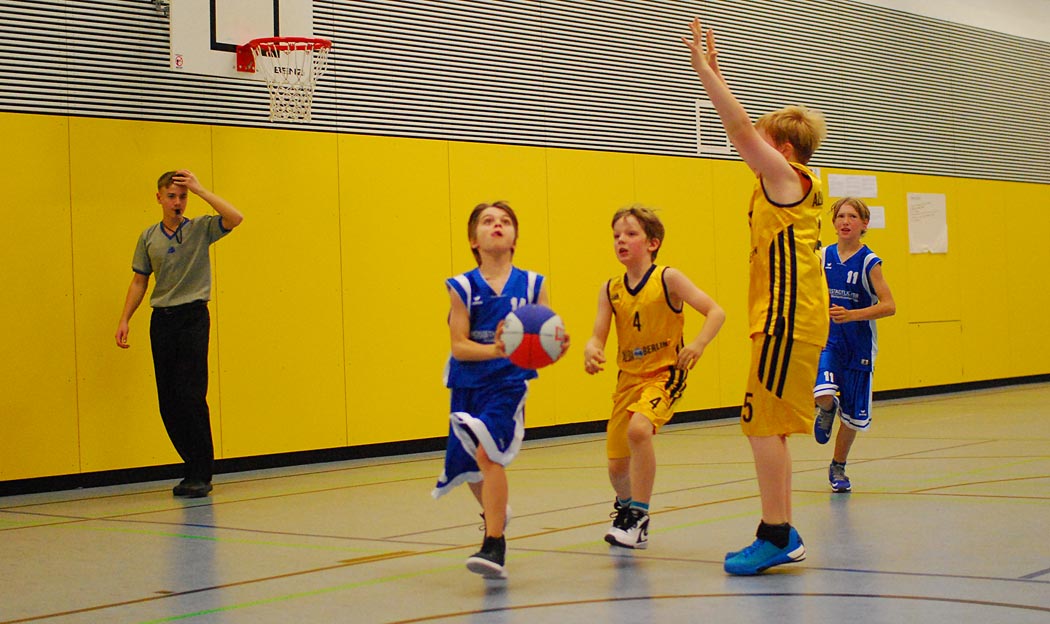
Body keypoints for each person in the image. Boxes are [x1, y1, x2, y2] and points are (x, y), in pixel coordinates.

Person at [683, 18, 830, 575]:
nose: (746, 148)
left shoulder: (787, 176)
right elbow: (746, 132)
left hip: (786, 319)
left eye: (762, 144)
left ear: (783, 149)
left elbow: (740, 129)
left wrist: (705, 76)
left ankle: (775, 533)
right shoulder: (793, 186)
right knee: (771, 426)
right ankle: (780, 529)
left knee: (761, 425)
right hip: (794, 317)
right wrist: (719, 74)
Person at [432, 201, 569, 580]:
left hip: (508, 383)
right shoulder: (462, 287)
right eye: (488, 221)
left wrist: (556, 345)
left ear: (514, 238)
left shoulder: (532, 284)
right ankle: (497, 511)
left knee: (487, 452)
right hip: (466, 381)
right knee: (467, 464)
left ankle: (494, 543)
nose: (497, 225)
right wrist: (498, 347)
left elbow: (548, 333)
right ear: (473, 240)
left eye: (505, 221)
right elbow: (459, 346)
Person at [583, 205, 725, 550]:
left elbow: (715, 311)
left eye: (631, 234)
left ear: (652, 242)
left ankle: (639, 516)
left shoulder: (668, 278)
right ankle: (626, 507)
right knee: (617, 467)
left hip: (664, 374)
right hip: (627, 380)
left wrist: (698, 344)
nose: (621, 240)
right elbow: (598, 335)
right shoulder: (610, 289)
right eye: (616, 235)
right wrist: (592, 349)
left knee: (639, 430)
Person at [115, 170, 243, 498]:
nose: (178, 202)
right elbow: (140, 281)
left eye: (182, 197)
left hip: (192, 318)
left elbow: (235, 217)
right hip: (163, 320)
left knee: (191, 395)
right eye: (171, 196)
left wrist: (200, 190)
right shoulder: (149, 237)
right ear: (159, 198)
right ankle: (190, 467)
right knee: (169, 401)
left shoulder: (200, 228)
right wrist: (125, 318)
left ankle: (202, 472)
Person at [813, 197, 896, 492]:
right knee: (823, 392)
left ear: (864, 224)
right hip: (829, 339)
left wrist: (852, 314)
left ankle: (838, 466)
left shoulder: (870, 262)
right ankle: (826, 409)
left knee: (852, 416)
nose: (845, 221)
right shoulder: (823, 256)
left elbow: (889, 306)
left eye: (852, 217)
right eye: (840, 216)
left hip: (859, 344)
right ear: (833, 222)